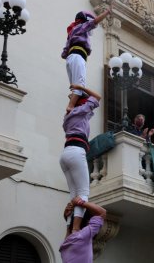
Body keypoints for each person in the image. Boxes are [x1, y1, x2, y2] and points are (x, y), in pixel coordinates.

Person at [60, 84, 101, 232]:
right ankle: (76, 228)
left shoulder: (69, 117)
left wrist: (74, 98)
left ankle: (69, 229)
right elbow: (97, 97)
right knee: (83, 194)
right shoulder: (81, 111)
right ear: (84, 103)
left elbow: (89, 111)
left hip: (65, 155)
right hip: (77, 152)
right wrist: (79, 87)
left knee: (73, 196)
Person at [62, 5, 113, 113]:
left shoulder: (72, 32)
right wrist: (106, 13)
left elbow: (64, 53)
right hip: (78, 56)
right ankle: (70, 106)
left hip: (72, 58)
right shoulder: (80, 27)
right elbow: (94, 22)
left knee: (76, 87)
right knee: (80, 85)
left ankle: (74, 105)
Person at [60, 196, 106, 263]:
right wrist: (79, 202)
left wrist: (67, 217)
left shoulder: (65, 245)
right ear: (88, 222)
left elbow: (70, 231)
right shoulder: (82, 237)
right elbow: (102, 213)